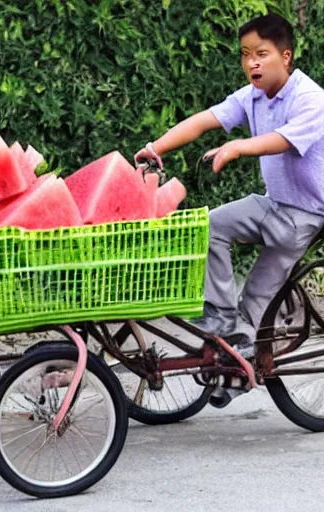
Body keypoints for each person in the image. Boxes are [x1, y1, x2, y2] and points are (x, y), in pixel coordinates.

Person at [135, 14, 324, 369]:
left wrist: (238, 147)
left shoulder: (311, 99)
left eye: (261, 54)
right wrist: (156, 146)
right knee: (210, 225)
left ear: (285, 56)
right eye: (245, 54)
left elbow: (281, 141)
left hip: (305, 216)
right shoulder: (251, 96)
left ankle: (238, 370)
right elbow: (204, 120)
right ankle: (222, 318)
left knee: (256, 298)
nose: (251, 62)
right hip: (272, 205)